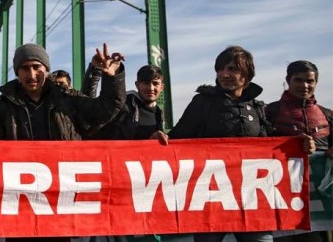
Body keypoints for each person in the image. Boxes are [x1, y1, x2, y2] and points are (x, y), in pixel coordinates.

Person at [151, 46, 312, 242]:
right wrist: (159, 142)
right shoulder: (203, 102)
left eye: (232, 69)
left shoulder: (256, 107)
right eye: (220, 69)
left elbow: (271, 140)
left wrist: (298, 143)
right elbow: (178, 138)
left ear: (247, 75)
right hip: (210, 199)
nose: (224, 74)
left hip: (251, 199)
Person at [0, 42, 126, 141]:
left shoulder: (67, 98)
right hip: (21, 181)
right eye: (25, 68)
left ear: (46, 70)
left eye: (36, 67)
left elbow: (106, 109)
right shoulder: (3, 107)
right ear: (17, 73)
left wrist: (113, 77)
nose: (32, 75)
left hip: (64, 179)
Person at [266, 60, 331, 242]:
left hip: (321, 202)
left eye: (310, 81)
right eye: (298, 80)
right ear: (288, 80)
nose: (304, 85)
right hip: (282, 199)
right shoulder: (268, 112)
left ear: (316, 82)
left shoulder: (327, 114)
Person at [83, 64, 164, 140]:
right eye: (146, 83)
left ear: (162, 87)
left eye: (155, 83)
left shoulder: (159, 114)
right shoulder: (122, 103)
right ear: (137, 85)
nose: (151, 88)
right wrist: (95, 70)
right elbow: (91, 108)